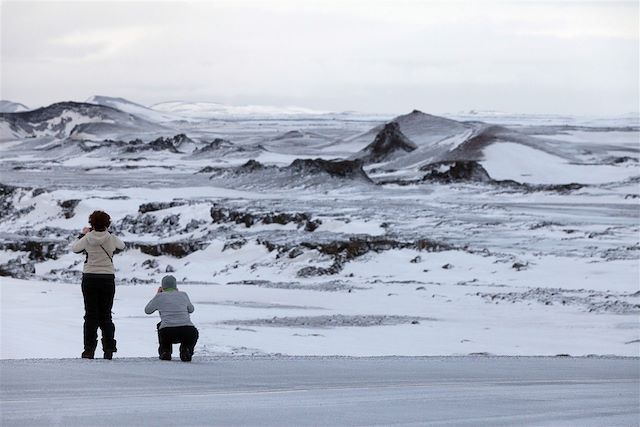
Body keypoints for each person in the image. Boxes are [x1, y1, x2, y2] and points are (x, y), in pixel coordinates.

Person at [71, 210, 125, 360]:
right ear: (107, 224)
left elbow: (75, 248)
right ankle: (108, 348)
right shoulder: (111, 237)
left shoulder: (87, 237)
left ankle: (89, 350)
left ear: (91, 224)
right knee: (106, 315)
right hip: (107, 278)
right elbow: (122, 245)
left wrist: (84, 234)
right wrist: (108, 234)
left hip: (90, 278)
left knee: (90, 315)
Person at [145, 275, 199, 362]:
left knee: (160, 325)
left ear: (162, 286)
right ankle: (186, 350)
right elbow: (191, 310)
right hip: (188, 331)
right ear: (175, 286)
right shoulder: (183, 295)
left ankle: (165, 351)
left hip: (168, 332)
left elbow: (147, 310)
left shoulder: (160, 296)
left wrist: (158, 295)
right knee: (192, 333)